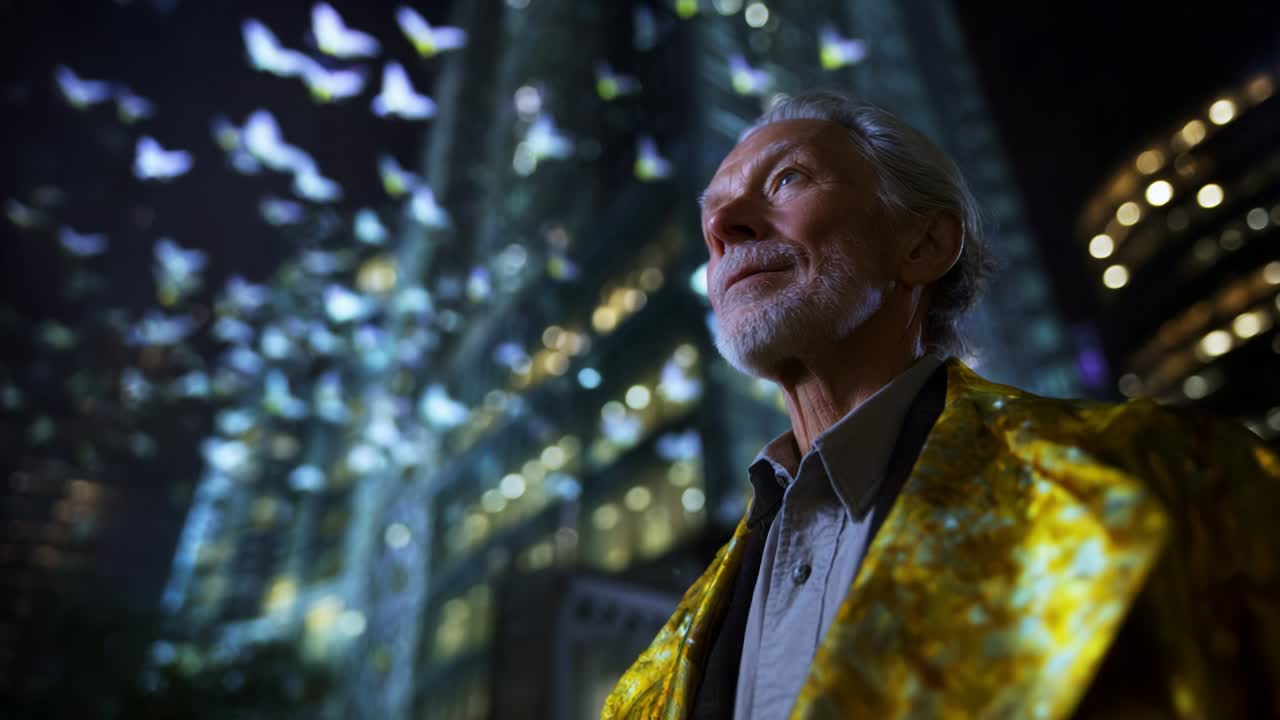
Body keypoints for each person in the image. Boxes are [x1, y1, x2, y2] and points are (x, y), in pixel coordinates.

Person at [601, 90, 1280, 719]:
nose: (721, 225)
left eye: (786, 180)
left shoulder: (1163, 473)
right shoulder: (662, 659)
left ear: (923, 244)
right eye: (711, 214)